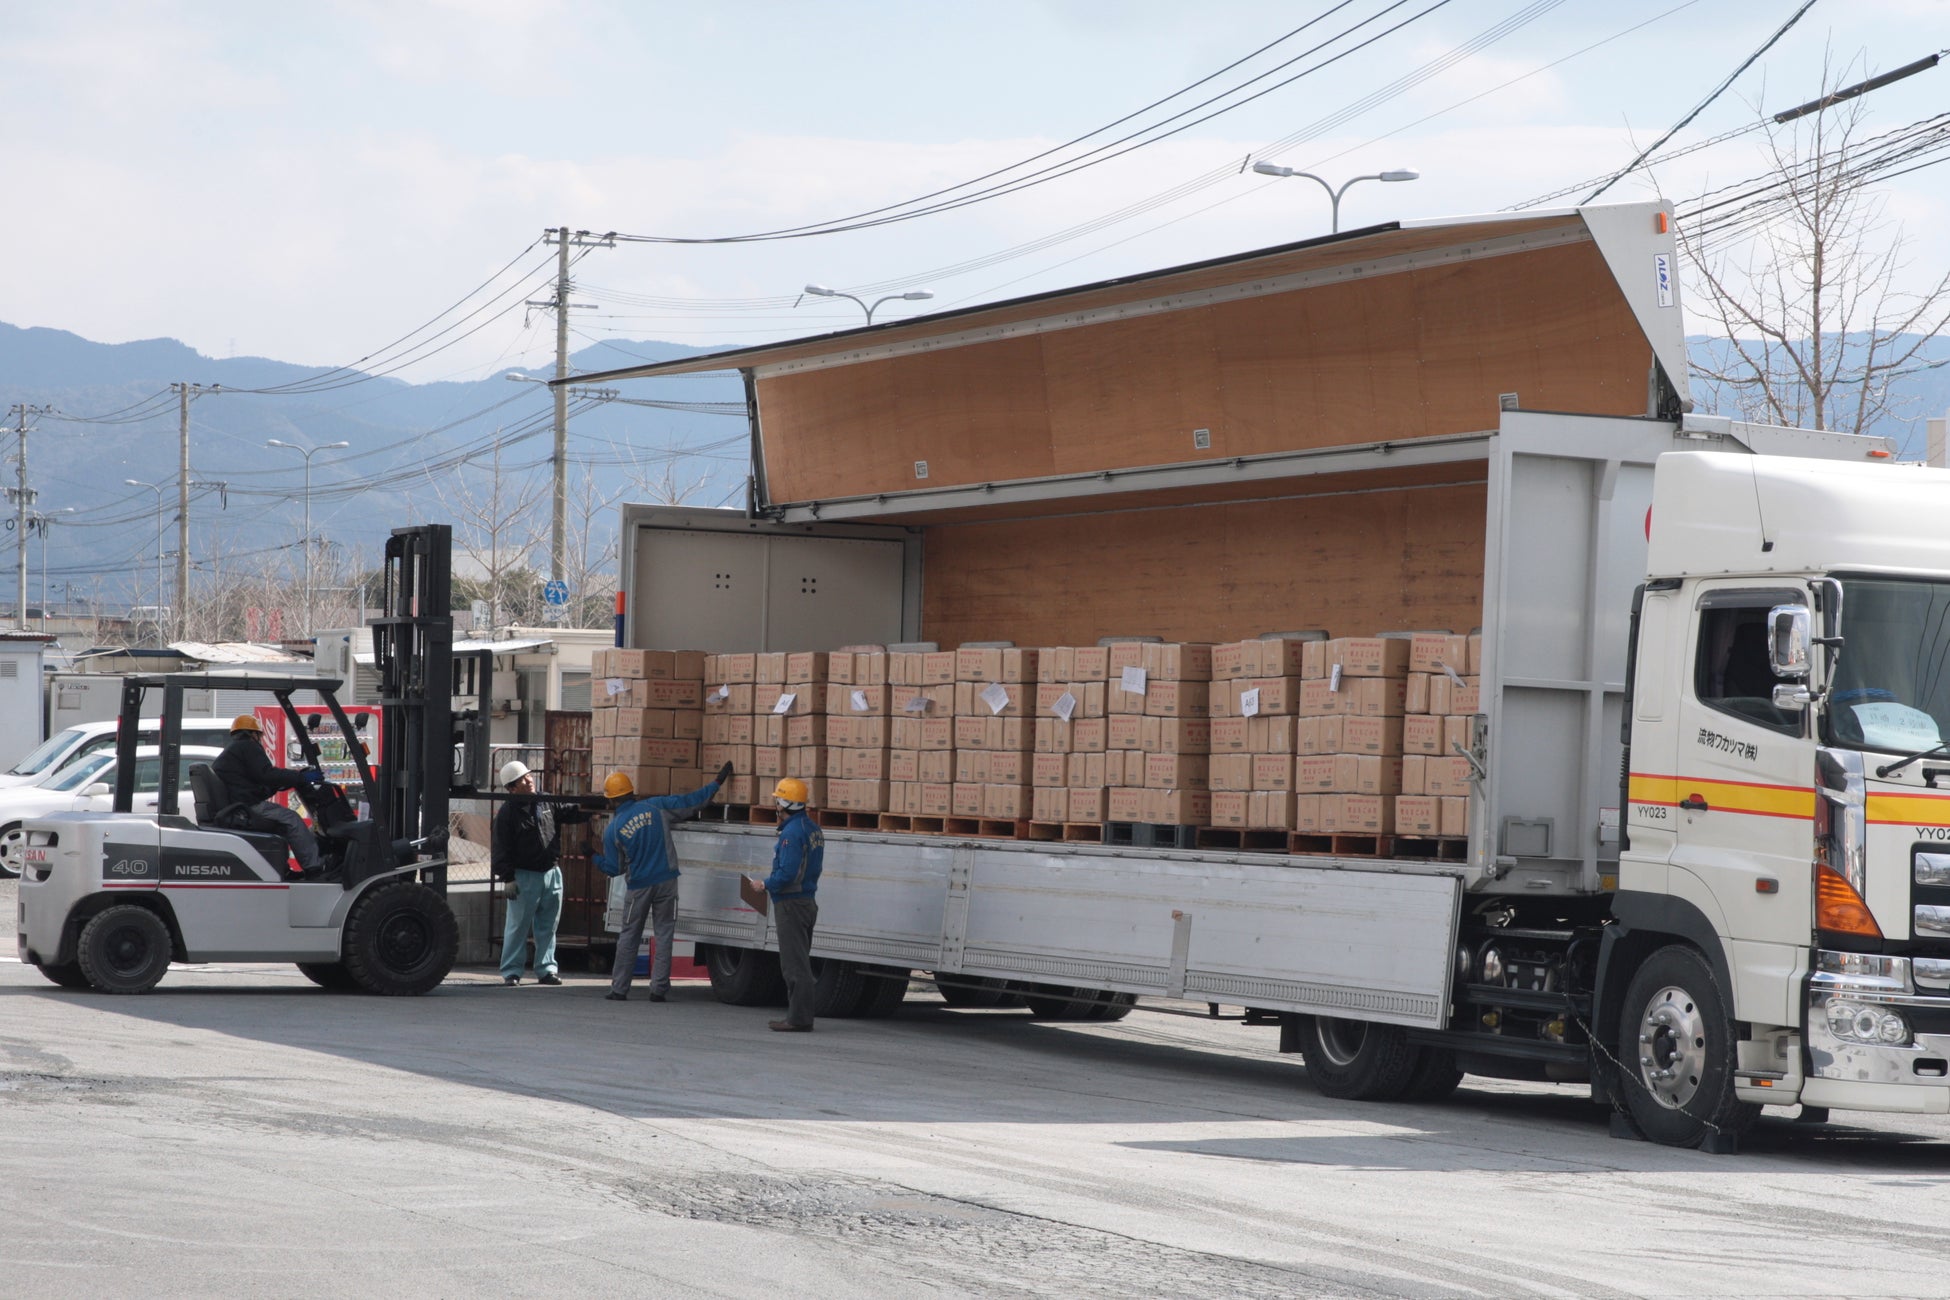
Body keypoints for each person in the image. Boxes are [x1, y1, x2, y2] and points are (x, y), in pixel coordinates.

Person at [595, 762, 733, 1002]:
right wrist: (717, 783)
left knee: (629, 936)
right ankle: (658, 989)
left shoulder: (613, 829)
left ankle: (619, 989)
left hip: (639, 887)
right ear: (631, 792)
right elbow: (691, 802)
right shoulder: (656, 806)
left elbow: (614, 869)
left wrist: (592, 856)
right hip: (667, 881)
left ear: (611, 801)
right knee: (664, 934)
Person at [492, 760, 595, 987]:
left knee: (548, 925)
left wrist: (592, 806)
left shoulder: (545, 801)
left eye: (528, 776)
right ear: (511, 788)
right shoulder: (507, 813)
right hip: (524, 876)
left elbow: (570, 813)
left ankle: (546, 969)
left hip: (551, 872)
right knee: (518, 926)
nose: (529, 781)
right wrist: (507, 878)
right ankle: (512, 971)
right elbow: (501, 848)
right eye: (522, 779)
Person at [210, 713, 324, 875]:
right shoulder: (248, 746)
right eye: (259, 735)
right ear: (253, 734)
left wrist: (278, 784)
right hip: (246, 806)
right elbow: (266, 774)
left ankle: (283, 869)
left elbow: (254, 779)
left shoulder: (234, 749)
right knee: (292, 819)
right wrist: (301, 777)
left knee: (281, 824)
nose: (260, 739)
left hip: (238, 804)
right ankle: (314, 867)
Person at [761, 777, 824, 1033]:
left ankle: (798, 1019)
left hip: (791, 904)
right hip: (807, 900)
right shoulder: (812, 829)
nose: (775, 805)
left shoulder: (791, 833)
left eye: (778, 801)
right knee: (800, 961)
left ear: (785, 804)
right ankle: (799, 1016)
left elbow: (787, 873)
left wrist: (764, 884)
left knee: (794, 965)